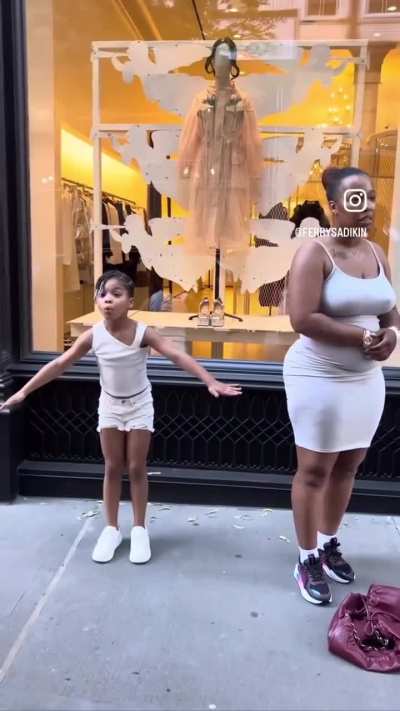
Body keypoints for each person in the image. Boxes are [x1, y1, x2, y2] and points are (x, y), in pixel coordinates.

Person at [0, 270, 242, 564]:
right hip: (110, 406)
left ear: (130, 301)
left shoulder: (143, 333)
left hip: (140, 404)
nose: (108, 300)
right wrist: (23, 392)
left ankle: (139, 529)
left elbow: (176, 355)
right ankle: (111, 529)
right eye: (102, 294)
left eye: (116, 294)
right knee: (113, 467)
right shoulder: (93, 335)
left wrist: (210, 380)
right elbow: (60, 363)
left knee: (137, 467)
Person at [283, 166, 400, 605]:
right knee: (315, 470)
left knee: (349, 465)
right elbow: (302, 318)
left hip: (366, 380)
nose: (367, 206)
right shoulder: (313, 254)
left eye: (371, 197)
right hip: (318, 376)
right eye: (356, 199)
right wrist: (362, 337)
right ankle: (306, 557)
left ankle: (328, 543)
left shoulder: (377, 252)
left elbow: (390, 312)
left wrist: (392, 335)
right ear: (334, 206)